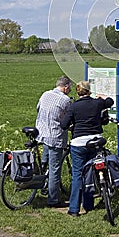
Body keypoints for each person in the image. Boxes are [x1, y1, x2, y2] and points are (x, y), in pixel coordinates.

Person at [60, 80, 114, 217]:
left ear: (78, 92)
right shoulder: (97, 103)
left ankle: (74, 209)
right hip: (95, 141)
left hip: (78, 143)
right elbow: (110, 101)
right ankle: (88, 204)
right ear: (89, 91)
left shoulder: (74, 107)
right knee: (91, 172)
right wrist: (102, 97)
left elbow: (64, 124)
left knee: (78, 174)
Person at [35, 75, 73, 207]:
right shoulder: (65, 100)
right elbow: (68, 119)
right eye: (69, 89)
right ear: (66, 87)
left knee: (45, 163)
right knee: (55, 169)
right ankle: (53, 199)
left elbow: (38, 108)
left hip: (42, 133)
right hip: (55, 137)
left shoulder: (45, 94)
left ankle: (42, 185)